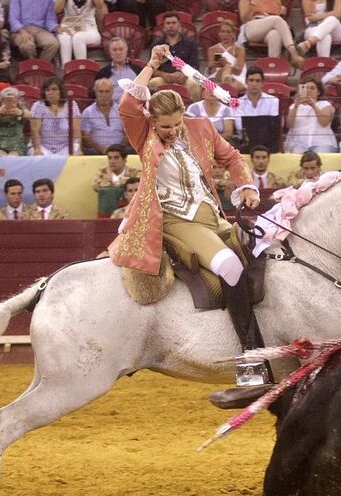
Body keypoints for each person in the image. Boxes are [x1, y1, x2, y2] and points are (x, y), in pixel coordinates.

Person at [113, 44, 267, 386]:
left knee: (266, 251)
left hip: (213, 216)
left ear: (184, 115)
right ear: (153, 121)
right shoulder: (143, 133)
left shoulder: (201, 128)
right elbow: (126, 105)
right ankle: (250, 359)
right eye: (164, 126)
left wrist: (246, 185)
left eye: (176, 124)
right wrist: (152, 64)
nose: (171, 131)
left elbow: (232, 157)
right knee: (230, 266)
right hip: (176, 220)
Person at [238, 0, 307, 69]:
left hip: (271, 25)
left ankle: (273, 67)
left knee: (275, 35)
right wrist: (253, 6)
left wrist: (281, 10)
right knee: (277, 19)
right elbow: (244, 19)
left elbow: (280, 13)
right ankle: (294, 54)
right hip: (252, 26)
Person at [148, 13, 202, 100]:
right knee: (153, 83)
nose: (171, 26)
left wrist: (184, 75)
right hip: (164, 78)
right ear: (164, 26)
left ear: (179, 24)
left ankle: (192, 108)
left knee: (194, 83)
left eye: (173, 23)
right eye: (168, 23)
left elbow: (195, 65)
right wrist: (165, 75)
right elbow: (151, 68)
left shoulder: (191, 43)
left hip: (185, 77)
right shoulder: (157, 44)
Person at [29, 77, 82, 155]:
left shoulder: (71, 104)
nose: (50, 93)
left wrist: (78, 149)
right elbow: (35, 131)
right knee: (40, 157)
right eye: (47, 90)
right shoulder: (38, 106)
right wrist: (38, 149)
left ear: (61, 91)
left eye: (54, 89)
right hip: (43, 146)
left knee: (75, 153)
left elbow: (76, 131)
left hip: (66, 146)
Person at [284, 77, 337, 154]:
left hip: (322, 142)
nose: (308, 91)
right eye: (306, 88)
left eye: (312, 88)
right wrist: (296, 106)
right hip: (299, 143)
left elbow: (324, 122)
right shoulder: (293, 106)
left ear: (318, 92)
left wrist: (313, 105)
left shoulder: (325, 104)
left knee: (321, 155)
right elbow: (290, 125)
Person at [236, 67, 281, 151]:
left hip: (267, 144)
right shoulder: (237, 103)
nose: (254, 84)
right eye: (251, 80)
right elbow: (239, 127)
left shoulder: (273, 101)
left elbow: (273, 126)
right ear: (246, 82)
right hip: (245, 143)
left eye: (257, 81)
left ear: (262, 83)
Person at [81, 79, 126, 155]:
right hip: (97, 152)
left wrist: (118, 149)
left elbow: (128, 135)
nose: (104, 95)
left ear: (112, 92)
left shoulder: (121, 110)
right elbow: (86, 138)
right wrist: (100, 149)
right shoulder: (87, 112)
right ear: (95, 92)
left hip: (121, 151)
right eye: (101, 91)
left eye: (107, 91)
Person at [55, 0, 105, 65]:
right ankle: (65, 67)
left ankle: (81, 67)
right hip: (69, 24)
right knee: (64, 37)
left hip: (89, 26)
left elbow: (100, 6)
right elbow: (57, 10)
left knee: (78, 37)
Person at [0, 86, 31, 155]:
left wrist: (21, 113)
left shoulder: (20, 109)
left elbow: (30, 115)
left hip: (16, 146)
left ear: (18, 103)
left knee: (13, 157)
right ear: (0, 102)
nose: (10, 104)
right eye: (6, 101)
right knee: (1, 156)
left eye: (14, 102)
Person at [207, 20, 247, 94]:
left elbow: (238, 71)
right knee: (225, 68)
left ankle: (226, 83)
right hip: (217, 76)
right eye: (223, 31)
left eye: (228, 32)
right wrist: (210, 66)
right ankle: (226, 84)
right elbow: (211, 72)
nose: (225, 34)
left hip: (236, 77)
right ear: (219, 33)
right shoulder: (212, 49)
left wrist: (226, 63)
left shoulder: (239, 50)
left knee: (227, 67)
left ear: (233, 33)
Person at [94, 38, 139, 103]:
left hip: (134, 106)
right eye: (114, 50)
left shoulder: (138, 70)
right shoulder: (102, 73)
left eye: (121, 49)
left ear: (126, 50)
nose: (118, 52)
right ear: (110, 52)